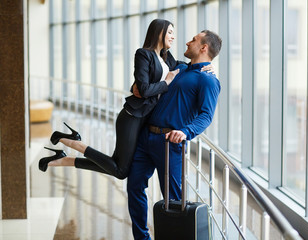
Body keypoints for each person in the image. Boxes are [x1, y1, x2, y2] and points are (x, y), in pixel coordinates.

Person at [38, 19, 213, 179]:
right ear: (158, 32)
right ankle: (73, 143)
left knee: (118, 166)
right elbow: (143, 89)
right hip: (132, 116)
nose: (173, 37)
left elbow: (186, 67)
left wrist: (207, 66)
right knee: (120, 171)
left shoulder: (167, 58)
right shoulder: (144, 54)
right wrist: (166, 83)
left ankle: (64, 158)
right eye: (169, 32)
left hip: (144, 119)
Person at [127, 30, 222, 240]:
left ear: (204, 48)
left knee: (174, 200)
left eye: (194, 40)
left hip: (170, 143)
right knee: (134, 187)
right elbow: (151, 76)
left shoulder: (208, 81)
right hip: (146, 137)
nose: (188, 41)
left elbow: (206, 116)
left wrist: (186, 132)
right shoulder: (178, 68)